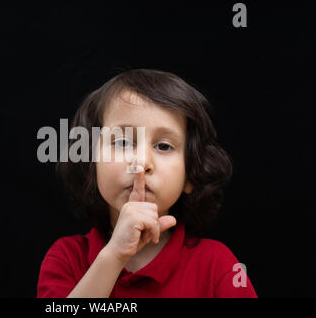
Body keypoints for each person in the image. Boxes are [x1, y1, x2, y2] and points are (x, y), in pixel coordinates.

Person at [37, 69, 257, 298]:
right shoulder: (66, 258)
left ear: (191, 175)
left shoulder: (218, 266)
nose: (141, 163)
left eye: (163, 146)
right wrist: (113, 256)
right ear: (91, 165)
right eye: (122, 142)